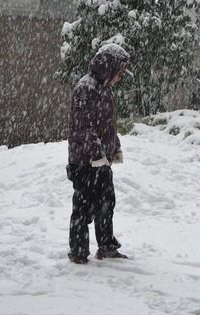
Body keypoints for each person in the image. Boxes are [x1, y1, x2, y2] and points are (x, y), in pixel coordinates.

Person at [66, 44, 132, 264]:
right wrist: (96, 154)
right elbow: (83, 127)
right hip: (85, 161)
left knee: (106, 204)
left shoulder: (104, 89)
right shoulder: (86, 88)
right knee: (83, 209)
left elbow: (108, 125)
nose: (120, 77)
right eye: (119, 72)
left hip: (101, 160)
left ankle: (106, 247)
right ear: (108, 68)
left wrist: (115, 148)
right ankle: (78, 253)